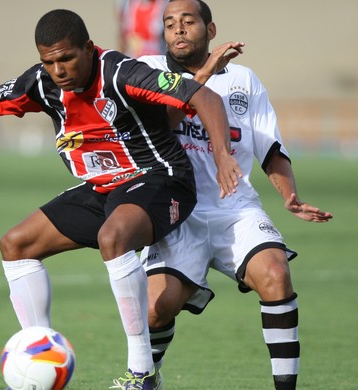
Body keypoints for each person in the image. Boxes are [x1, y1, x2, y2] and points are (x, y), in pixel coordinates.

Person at [0, 9, 243, 390]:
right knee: (15, 244)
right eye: (49, 62)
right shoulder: (40, 82)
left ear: (88, 48)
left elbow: (204, 96)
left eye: (67, 58)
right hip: (103, 188)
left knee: (112, 237)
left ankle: (142, 372)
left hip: (161, 179)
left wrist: (221, 156)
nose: (59, 70)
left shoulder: (121, 73)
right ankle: (40, 354)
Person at [136, 1, 334, 389]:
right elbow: (159, 129)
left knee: (276, 274)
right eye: (170, 23)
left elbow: (270, 146)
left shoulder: (245, 80)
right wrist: (205, 74)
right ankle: (147, 377)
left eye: (188, 22)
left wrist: (289, 195)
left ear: (210, 31)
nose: (178, 30)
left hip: (235, 208)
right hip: (177, 212)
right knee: (157, 310)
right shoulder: (150, 71)